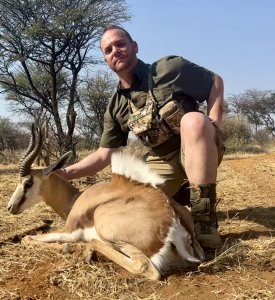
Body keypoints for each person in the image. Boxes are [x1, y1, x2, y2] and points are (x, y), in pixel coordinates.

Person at [58, 25, 225, 249]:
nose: (115, 51)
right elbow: (106, 153)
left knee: (194, 121)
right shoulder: (116, 106)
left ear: (134, 46)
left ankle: (205, 224)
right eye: (108, 50)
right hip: (162, 161)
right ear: (106, 60)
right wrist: (64, 174)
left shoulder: (168, 68)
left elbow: (214, 81)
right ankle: (173, 215)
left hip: (198, 148)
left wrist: (214, 121)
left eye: (120, 44)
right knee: (127, 201)